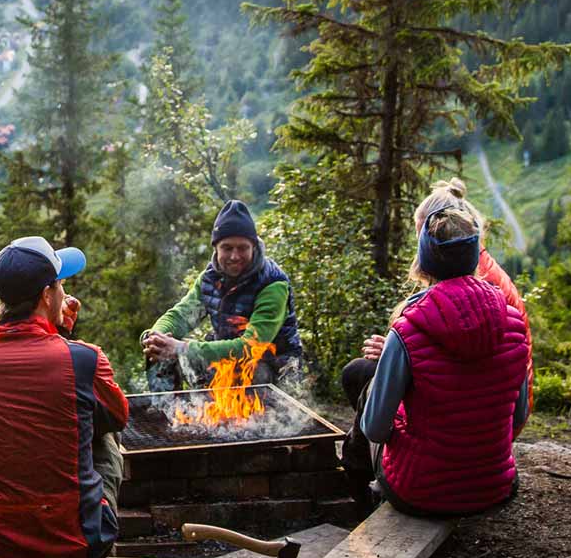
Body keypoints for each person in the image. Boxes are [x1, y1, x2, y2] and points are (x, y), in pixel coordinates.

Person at [0, 236, 128, 558]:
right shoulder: (83, 358)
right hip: (75, 551)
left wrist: (55, 331)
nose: (64, 292)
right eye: (61, 284)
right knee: (105, 441)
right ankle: (109, 557)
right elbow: (117, 417)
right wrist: (64, 336)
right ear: (48, 295)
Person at [342, 199, 532, 515]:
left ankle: (361, 498)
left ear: (425, 262)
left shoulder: (408, 329)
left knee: (367, 395)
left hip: (420, 493)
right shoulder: (512, 322)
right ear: (475, 257)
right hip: (494, 487)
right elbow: (517, 416)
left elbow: (375, 429)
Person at [349, 179, 528, 379]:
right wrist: (398, 349)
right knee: (360, 370)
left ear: (442, 229)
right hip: (502, 388)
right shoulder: (471, 266)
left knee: (358, 374)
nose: (419, 248)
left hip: (488, 388)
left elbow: (467, 354)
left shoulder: (482, 278)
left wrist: (400, 353)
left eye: (422, 237)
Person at [141, 200, 303, 389]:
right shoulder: (209, 279)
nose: (235, 256)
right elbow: (180, 316)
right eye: (227, 248)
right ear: (216, 248)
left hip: (274, 368)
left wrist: (181, 349)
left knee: (253, 371)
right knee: (159, 351)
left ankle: (255, 418)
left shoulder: (273, 284)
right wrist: (154, 337)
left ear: (254, 248)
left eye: (242, 248)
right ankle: (170, 412)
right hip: (227, 362)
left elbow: (251, 348)